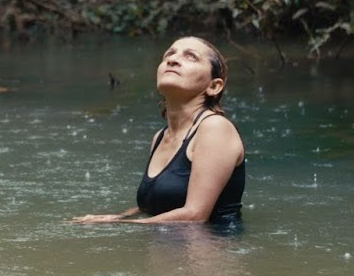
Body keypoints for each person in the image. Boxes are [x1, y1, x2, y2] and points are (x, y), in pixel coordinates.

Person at [73, 36, 246, 227]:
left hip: (209, 251)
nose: (172, 60)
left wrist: (121, 226)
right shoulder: (159, 138)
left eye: (191, 57)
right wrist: (119, 216)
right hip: (167, 247)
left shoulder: (215, 128)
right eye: (169, 54)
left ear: (214, 86)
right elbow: (156, 204)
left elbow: (195, 216)